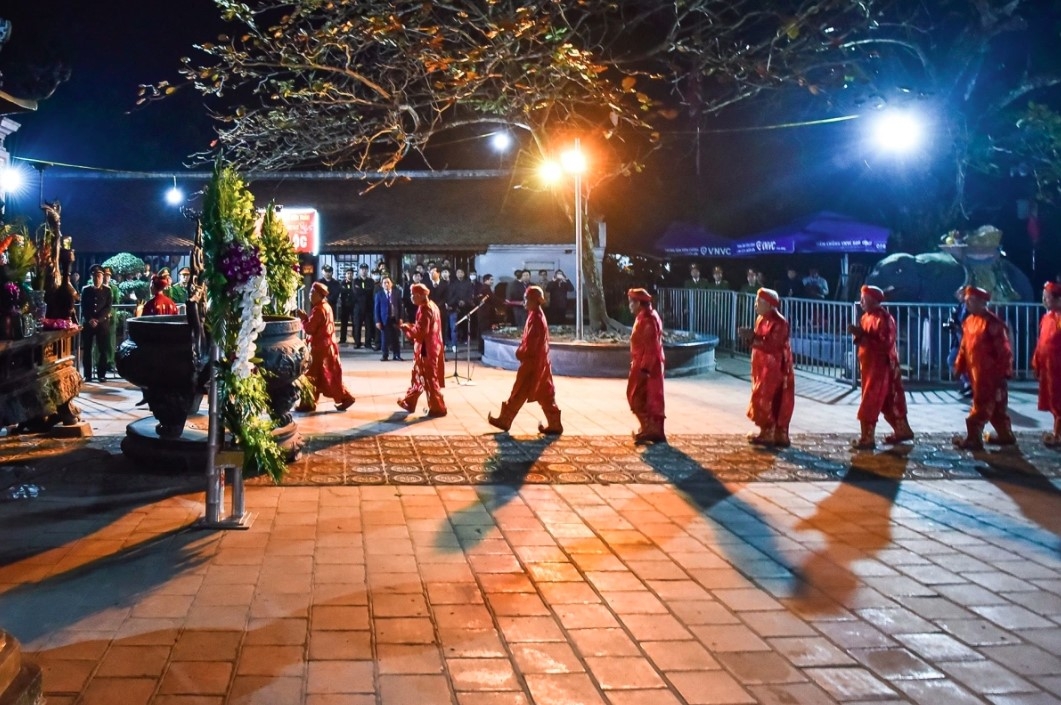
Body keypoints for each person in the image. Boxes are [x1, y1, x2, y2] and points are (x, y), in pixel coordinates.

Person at [488, 286, 563, 434]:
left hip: (533, 363)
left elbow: (531, 345)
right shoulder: (535, 315)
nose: (524, 302)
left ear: (535, 301)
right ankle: (553, 423)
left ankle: (506, 420)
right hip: (538, 362)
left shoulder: (536, 318)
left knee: (524, 391)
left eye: (527, 299)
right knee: (540, 393)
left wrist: (520, 353)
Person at [847, 285, 914, 449]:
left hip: (882, 367)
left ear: (873, 300)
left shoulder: (884, 319)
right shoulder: (866, 317)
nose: (861, 302)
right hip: (869, 366)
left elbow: (885, 344)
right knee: (886, 401)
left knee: (872, 399)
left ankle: (867, 438)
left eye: (864, 298)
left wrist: (861, 334)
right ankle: (902, 430)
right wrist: (860, 334)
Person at [952, 285, 1014, 450]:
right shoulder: (968, 322)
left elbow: (1004, 351)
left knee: (982, 405)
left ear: (981, 302)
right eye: (966, 301)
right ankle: (1005, 435)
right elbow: (964, 347)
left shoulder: (993, 324)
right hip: (976, 373)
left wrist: (1004, 373)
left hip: (991, 374)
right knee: (995, 408)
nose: (967, 304)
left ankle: (973, 438)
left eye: (970, 301)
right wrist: (959, 366)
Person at [737, 288, 794, 447]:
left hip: (774, 368)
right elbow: (759, 340)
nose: (755, 305)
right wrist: (749, 337)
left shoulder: (780, 322)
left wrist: (752, 337)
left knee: (767, 398)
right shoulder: (761, 319)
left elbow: (773, 345)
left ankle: (771, 433)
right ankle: (767, 432)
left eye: (759, 302)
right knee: (761, 397)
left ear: (769, 304)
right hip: (761, 367)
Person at [296, 281, 355, 411]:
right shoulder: (326, 306)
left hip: (320, 349)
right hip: (328, 347)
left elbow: (310, 329)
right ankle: (344, 397)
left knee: (311, 376)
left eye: (312, 292)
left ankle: (308, 403)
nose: (310, 295)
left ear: (319, 295)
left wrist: (304, 318)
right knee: (328, 376)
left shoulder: (318, 309)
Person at [398, 282, 447, 417]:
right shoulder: (432, 306)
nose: (411, 298)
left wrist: (407, 328)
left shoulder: (425, 309)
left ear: (420, 295)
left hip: (426, 349)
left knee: (429, 379)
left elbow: (420, 332)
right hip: (432, 347)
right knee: (419, 377)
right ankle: (409, 401)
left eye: (413, 295)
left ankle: (438, 407)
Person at [626, 288, 666, 444]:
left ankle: (651, 430)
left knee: (640, 397)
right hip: (644, 364)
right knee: (643, 397)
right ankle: (648, 429)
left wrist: (644, 369)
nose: (629, 306)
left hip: (647, 366)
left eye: (631, 302)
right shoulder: (645, 316)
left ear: (638, 303)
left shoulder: (647, 320)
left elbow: (651, 347)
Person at [1033, 281, 1061, 446]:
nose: (1044, 300)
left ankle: (1057, 434)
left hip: (1058, 367)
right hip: (1048, 368)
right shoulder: (1047, 317)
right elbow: (1042, 341)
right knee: (1052, 400)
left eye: (1047, 297)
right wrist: (1036, 360)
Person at [80, 265, 113, 383]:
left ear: (102, 277)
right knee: (87, 349)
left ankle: (101, 374)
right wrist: (90, 319)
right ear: (91, 277)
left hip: (102, 324)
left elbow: (108, 308)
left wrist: (98, 319)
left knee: (102, 350)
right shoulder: (86, 290)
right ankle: (87, 375)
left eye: (99, 276)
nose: (97, 279)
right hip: (89, 324)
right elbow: (83, 307)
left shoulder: (107, 290)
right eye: (94, 276)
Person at [944, 287, 971, 396]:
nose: (959, 296)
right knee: (952, 360)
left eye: (961, 294)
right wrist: (951, 323)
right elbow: (955, 319)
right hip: (959, 339)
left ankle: (971, 384)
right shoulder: (960, 306)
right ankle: (967, 383)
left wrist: (958, 327)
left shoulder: (970, 308)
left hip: (968, 339)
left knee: (966, 362)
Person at [374, 275, 404, 362]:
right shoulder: (379, 295)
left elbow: (400, 306)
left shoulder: (396, 293)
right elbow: (376, 309)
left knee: (395, 338)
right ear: (381, 284)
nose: (386, 284)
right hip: (384, 319)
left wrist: (401, 318)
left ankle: (397, 355)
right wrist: (377, 321)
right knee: (384, 338)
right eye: (384, 283)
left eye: (388, 282)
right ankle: (385, 355)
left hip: (395, 318)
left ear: (391, 283)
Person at [446, 267, 474, 351]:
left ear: (464, 274)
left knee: (465, 322)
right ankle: (453, 340)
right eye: (458, 272)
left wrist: (465, 301)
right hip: (455, 305)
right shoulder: (453, 283)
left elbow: (470, 294)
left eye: (461, 272)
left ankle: (465, 338)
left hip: (466, 305)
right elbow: (453, 294)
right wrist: (458, 301)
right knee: (454, 324)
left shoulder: (468, 283)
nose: (460, 274)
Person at [352, 263, 375, 349]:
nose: (364, 271)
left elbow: (370, 291)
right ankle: (357, 342)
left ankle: (368, 343)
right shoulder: (355, 281)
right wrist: (365, 291)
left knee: (368, 325)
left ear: (367, 270)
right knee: (357, 325)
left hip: (368, 306)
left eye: (365, 269)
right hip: (358, 306)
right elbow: (356, 292)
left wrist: (362, 291)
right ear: (359, 270)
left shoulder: (371, 281)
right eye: (362, 269)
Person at [476, 273, 497, 353]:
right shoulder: (485, 289)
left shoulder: (486, 288)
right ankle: (483, 349)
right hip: (485, 314)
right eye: (491, 280)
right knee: (484, 331)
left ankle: (482, 349)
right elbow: (492, 299)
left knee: (483, 331)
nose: (492, 281)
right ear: (486, 280)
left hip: (485, 314)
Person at [337, 268, 355, 344]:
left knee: (355, 323)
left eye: (351, 273)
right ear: (345, 275)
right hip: (344, 305)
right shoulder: (342, 283)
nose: (349, 275)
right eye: (348, 273)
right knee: (344, 323)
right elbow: (340, 293)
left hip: (353, 305)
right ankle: (343, 338)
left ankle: (355, 338)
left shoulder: (355, 283)